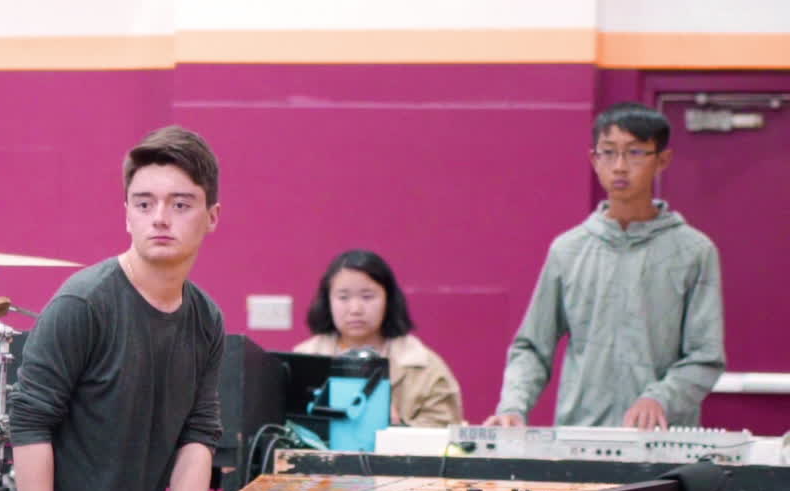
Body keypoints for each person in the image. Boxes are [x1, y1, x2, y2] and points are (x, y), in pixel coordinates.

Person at [10, 125, 224, 491]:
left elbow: (198, 433)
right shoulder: (83, 303)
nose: (160, 219)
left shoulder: (206, 318)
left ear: (211, 217)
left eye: (180, 205)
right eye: (144, 204)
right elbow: (29, 422)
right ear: (127, 215)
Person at [485, 102, 725, 429]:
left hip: (662, 442)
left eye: (636, 152)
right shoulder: (568, 250)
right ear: (593, 160)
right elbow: (531, 347)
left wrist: (660, 398)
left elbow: (705, 356)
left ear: (662, 160)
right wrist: (513, 406)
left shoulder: (695, 251)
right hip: (579, 437)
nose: (620, 166)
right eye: (608, 152)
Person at [293, 249, 464, 427]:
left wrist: (398, 428)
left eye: (367, 297)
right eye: (343, 297)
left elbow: (445, 433)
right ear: (327, 302)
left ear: (388, 300)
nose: (355, 309)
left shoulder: (425, 366)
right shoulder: (303, 358)